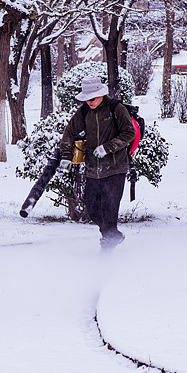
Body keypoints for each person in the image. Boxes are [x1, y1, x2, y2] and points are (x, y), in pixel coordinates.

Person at [59, 75, 136, 249]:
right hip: (93, 169)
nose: (89, 102)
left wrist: (107, 148)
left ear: (101, 94)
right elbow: (69, 131)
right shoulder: (85, 111)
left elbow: (128, 133)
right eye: (86, 99)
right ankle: (112, 236)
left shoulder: (116, 109)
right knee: (92, 209)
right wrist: (65, 156)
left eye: (92, 98)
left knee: (109, 211)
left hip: (115, 168)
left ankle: (107, 250)